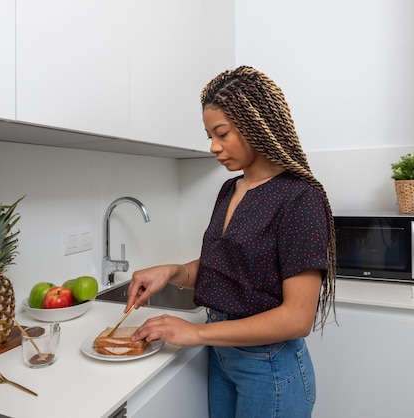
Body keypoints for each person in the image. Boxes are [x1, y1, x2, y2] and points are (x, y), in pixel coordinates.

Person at [125, 66, 336, 418]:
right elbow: (226, 267)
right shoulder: (230, 188)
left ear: (256, 126)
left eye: (222, 133)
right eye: (209, 134)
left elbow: (298, 318)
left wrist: (195, 334)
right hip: (223, 357)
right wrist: (173, 271)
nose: (213, 147)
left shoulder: (300, 198)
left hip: (268, 369)